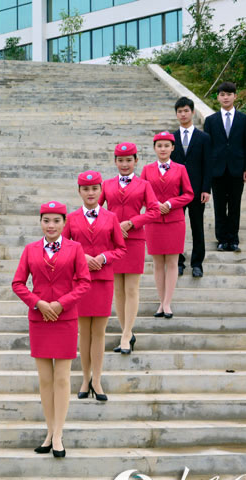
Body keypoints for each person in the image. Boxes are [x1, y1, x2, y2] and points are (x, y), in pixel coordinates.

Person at [12, 202, 91, 458]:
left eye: (56, 220)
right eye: (46, 220)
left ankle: (58, 434)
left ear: (64, 222)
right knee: (45, 379)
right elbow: (18, 283)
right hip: (39, 320)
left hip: (65, 318)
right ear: (41, 222)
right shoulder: (30, 249)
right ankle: (49, 430)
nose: (51, 225)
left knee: (62, 378)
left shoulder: (75, 248)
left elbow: (84, 283)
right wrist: (38, 303)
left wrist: (60, 303)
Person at [64, 172, 126, 401]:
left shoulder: (111, 217)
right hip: (79, 283)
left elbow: (121, 249)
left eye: (94, 189)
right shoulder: (70, 218)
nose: (90, 193)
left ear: (101, 190)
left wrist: (104, 257)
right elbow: (64, 248)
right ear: (79, 191)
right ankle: (84, 378)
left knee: (98, 332)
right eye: (85, 189)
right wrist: (81, 257)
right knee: (83, 333)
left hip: (102, 280)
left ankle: (97, 380)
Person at [99, 143, 160, 355]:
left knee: (132, 288)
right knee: (117, 289)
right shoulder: (106, 185)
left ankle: (126, 334)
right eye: (120, 160)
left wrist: (132, 222)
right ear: (115, 161)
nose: (124, 164)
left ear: (136, 161)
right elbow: (97, 211)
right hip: (112, 242)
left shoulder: (144, 185)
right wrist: (112, 226)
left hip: (134, 240)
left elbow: (154, 211)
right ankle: (127, 331)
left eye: (128, 160)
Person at [141, 132, 194, 319]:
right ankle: (160, 301)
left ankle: (167, 303)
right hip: (154, 221)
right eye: (159, 145)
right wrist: (155, 205)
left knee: (172, 262)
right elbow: (141, 193)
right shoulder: (147, 169)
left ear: (173, 148)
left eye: (166, 145)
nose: (163, 149)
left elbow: (189, 194)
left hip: (174, 220)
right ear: (155, 148)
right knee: (157, 263)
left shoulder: (180, 169)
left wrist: (170, 204)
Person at [203, 81, 246, 253]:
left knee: (234, 204)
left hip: (237, 168)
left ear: (235, 96)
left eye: (229, 94)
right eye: (222, 94)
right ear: (218, 97)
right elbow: (207, 147)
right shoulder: (210, 121)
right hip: (216, 170)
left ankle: (233, 239)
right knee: (219, 205)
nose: (226, 97)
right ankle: (222, 239)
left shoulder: (245, 119)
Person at [172, 96, 213, 278]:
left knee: (197, 227)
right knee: (176, 229)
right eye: (180, 111)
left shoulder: (203, 138)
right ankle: (178, 262)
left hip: (197, 191)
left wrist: (206, 189)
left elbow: (208, 164)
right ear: (176, 114)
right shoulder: (171, 138)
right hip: (176, 192)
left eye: (186, 111)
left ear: (192, 112)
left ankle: (197, 263)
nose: (183, 114)